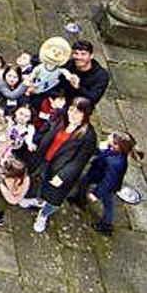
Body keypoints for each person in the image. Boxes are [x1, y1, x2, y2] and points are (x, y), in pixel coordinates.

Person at [25, 97, 98, 233]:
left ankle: (43, 215)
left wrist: (63, 176)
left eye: (78, 112)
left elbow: (79, 161)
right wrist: (36, 140)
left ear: (86, 115)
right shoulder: (60, 115)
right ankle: (38, 200)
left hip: (60, 170)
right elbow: (46, 127)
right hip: (44, 159)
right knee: (39, 182)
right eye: (71, 109)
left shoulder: (88, 136)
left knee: (53, 197)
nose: (72, 114)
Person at [69, 131, 140, 235]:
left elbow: (108, 181)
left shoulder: (116, 163)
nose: (109, 136)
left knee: (108, 203)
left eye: (111, 136)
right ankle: (80, 199)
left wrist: (96, 194)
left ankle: (106, 225)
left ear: (117, 146)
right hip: (97, 172)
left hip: (108, 184)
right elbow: (102, 154)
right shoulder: (112, 149)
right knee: (84, 182)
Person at [59, 40, 110, 105]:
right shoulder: (70, 64)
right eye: (76, 53)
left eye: (83, 54)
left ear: (91, 56)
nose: (79, 57)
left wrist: (78, 87)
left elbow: (94, 98)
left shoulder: (101, 76)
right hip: (61, 97)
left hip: (80, 105)